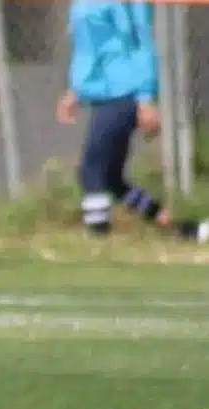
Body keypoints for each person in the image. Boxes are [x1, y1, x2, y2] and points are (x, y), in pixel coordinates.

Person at [58, 0, 207, 243]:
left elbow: (140, 46)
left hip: (123, 93)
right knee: (111, 179)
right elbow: (91, 49)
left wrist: (146, 98)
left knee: (91, 171)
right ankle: (184, 230)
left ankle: (98, 242)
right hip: (102, 94)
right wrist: (76, 91)